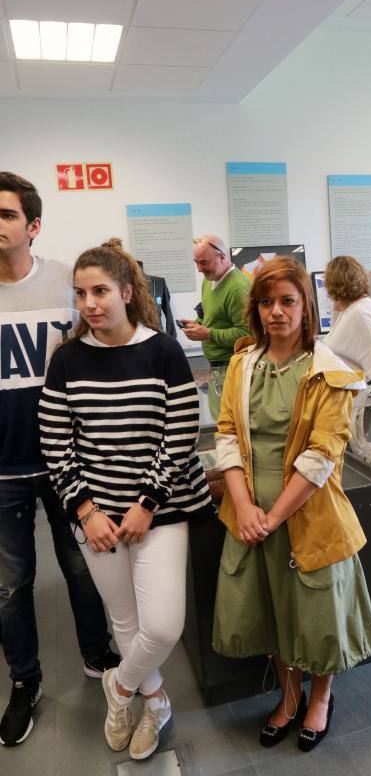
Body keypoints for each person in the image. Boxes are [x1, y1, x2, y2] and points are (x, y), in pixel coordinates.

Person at [39, 239, 213, 760]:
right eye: (80, 294)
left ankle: (118, 686)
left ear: (127, 292)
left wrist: (147, 503)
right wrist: (85, 511)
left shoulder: (162, 350)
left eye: (100, 291)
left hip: (159, 510)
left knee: (161, 625)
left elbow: (180, 431)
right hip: (95, 518)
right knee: (126, 622)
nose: (89, 304)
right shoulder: (66, 359)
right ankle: (155, 699)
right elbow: (55, 440)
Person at [212, 256, 371, 752]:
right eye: (266, 302)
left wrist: (272, 516)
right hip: (250, 509)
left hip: (306, 511)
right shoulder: (243, 365)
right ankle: (288, 696)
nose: (276, 312)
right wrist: (243, 507)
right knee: (274, 607)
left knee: (315, 611)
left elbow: (321, 456)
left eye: (287, 301)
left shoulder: (331, 373)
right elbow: (226, 436)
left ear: (308, 306)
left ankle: (320, 698)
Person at [0, 172, 118, 747]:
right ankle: (25, 683)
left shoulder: (67, 289)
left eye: (5, 214)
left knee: (80, 567)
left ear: (33, 225)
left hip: (65, 463)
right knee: (11, 585)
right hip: (2, 472)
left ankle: (98, 653)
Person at [181, 235, 251, 366]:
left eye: (204, 262)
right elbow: (211, 315)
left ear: (222, 257)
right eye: (196, 262)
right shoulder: (209, 279)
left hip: (234, 363)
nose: (199, 269)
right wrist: (197, 324)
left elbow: (247, 334)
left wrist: (208, 334)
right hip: (215, 361)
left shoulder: (239, 289)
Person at [323, 255, 371, 381]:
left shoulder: (360, 313)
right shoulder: (351, 309)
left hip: (358, 396)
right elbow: (333, 337)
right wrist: (337, 304)